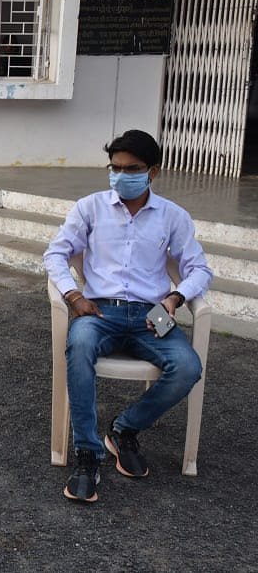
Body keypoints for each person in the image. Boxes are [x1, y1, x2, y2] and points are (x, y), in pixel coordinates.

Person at [43, 130, 213, 503]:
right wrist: (72, 294)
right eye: (114, 168)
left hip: (151, 316)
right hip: (98, 310)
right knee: (81, 344)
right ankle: (88, 454)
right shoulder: (90, 207)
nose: (120, 175)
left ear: (153, 171)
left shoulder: (173, 216)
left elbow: (199, 269)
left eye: (131, 169)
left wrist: (175, 297)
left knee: (187, 366)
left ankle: (123, 430)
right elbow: (55, 253)